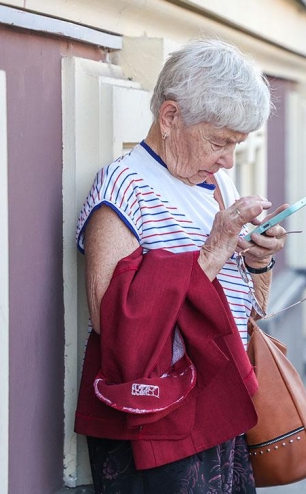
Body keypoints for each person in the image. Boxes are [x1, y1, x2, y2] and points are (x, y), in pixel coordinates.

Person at [73, 39, 288, 493]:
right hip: (158, 419)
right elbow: (109, 319)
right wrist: (211, 253)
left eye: (236, 144)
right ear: (170, 118)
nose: (228, 159)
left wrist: (258, 260)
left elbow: (248, 310)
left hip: (218, 404)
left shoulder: (216, 181)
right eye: (219, 142)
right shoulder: (123, 187)